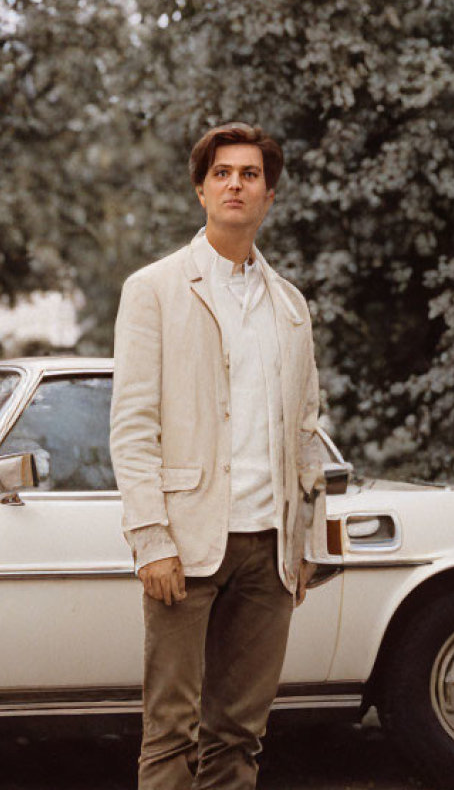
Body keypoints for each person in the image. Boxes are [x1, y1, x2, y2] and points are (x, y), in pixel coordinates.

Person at [109, 122, 326, 790]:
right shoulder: (154, 289)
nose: (237, 184)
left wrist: (305, 539)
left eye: (251, 175)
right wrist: (151, 538)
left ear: (268, 196)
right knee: (170, 733)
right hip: (187, 544)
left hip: (269, 550)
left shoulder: (290, 305)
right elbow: (132, 425)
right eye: (223, 173)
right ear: (202, 190)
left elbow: (306, 432)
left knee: (238, 734)